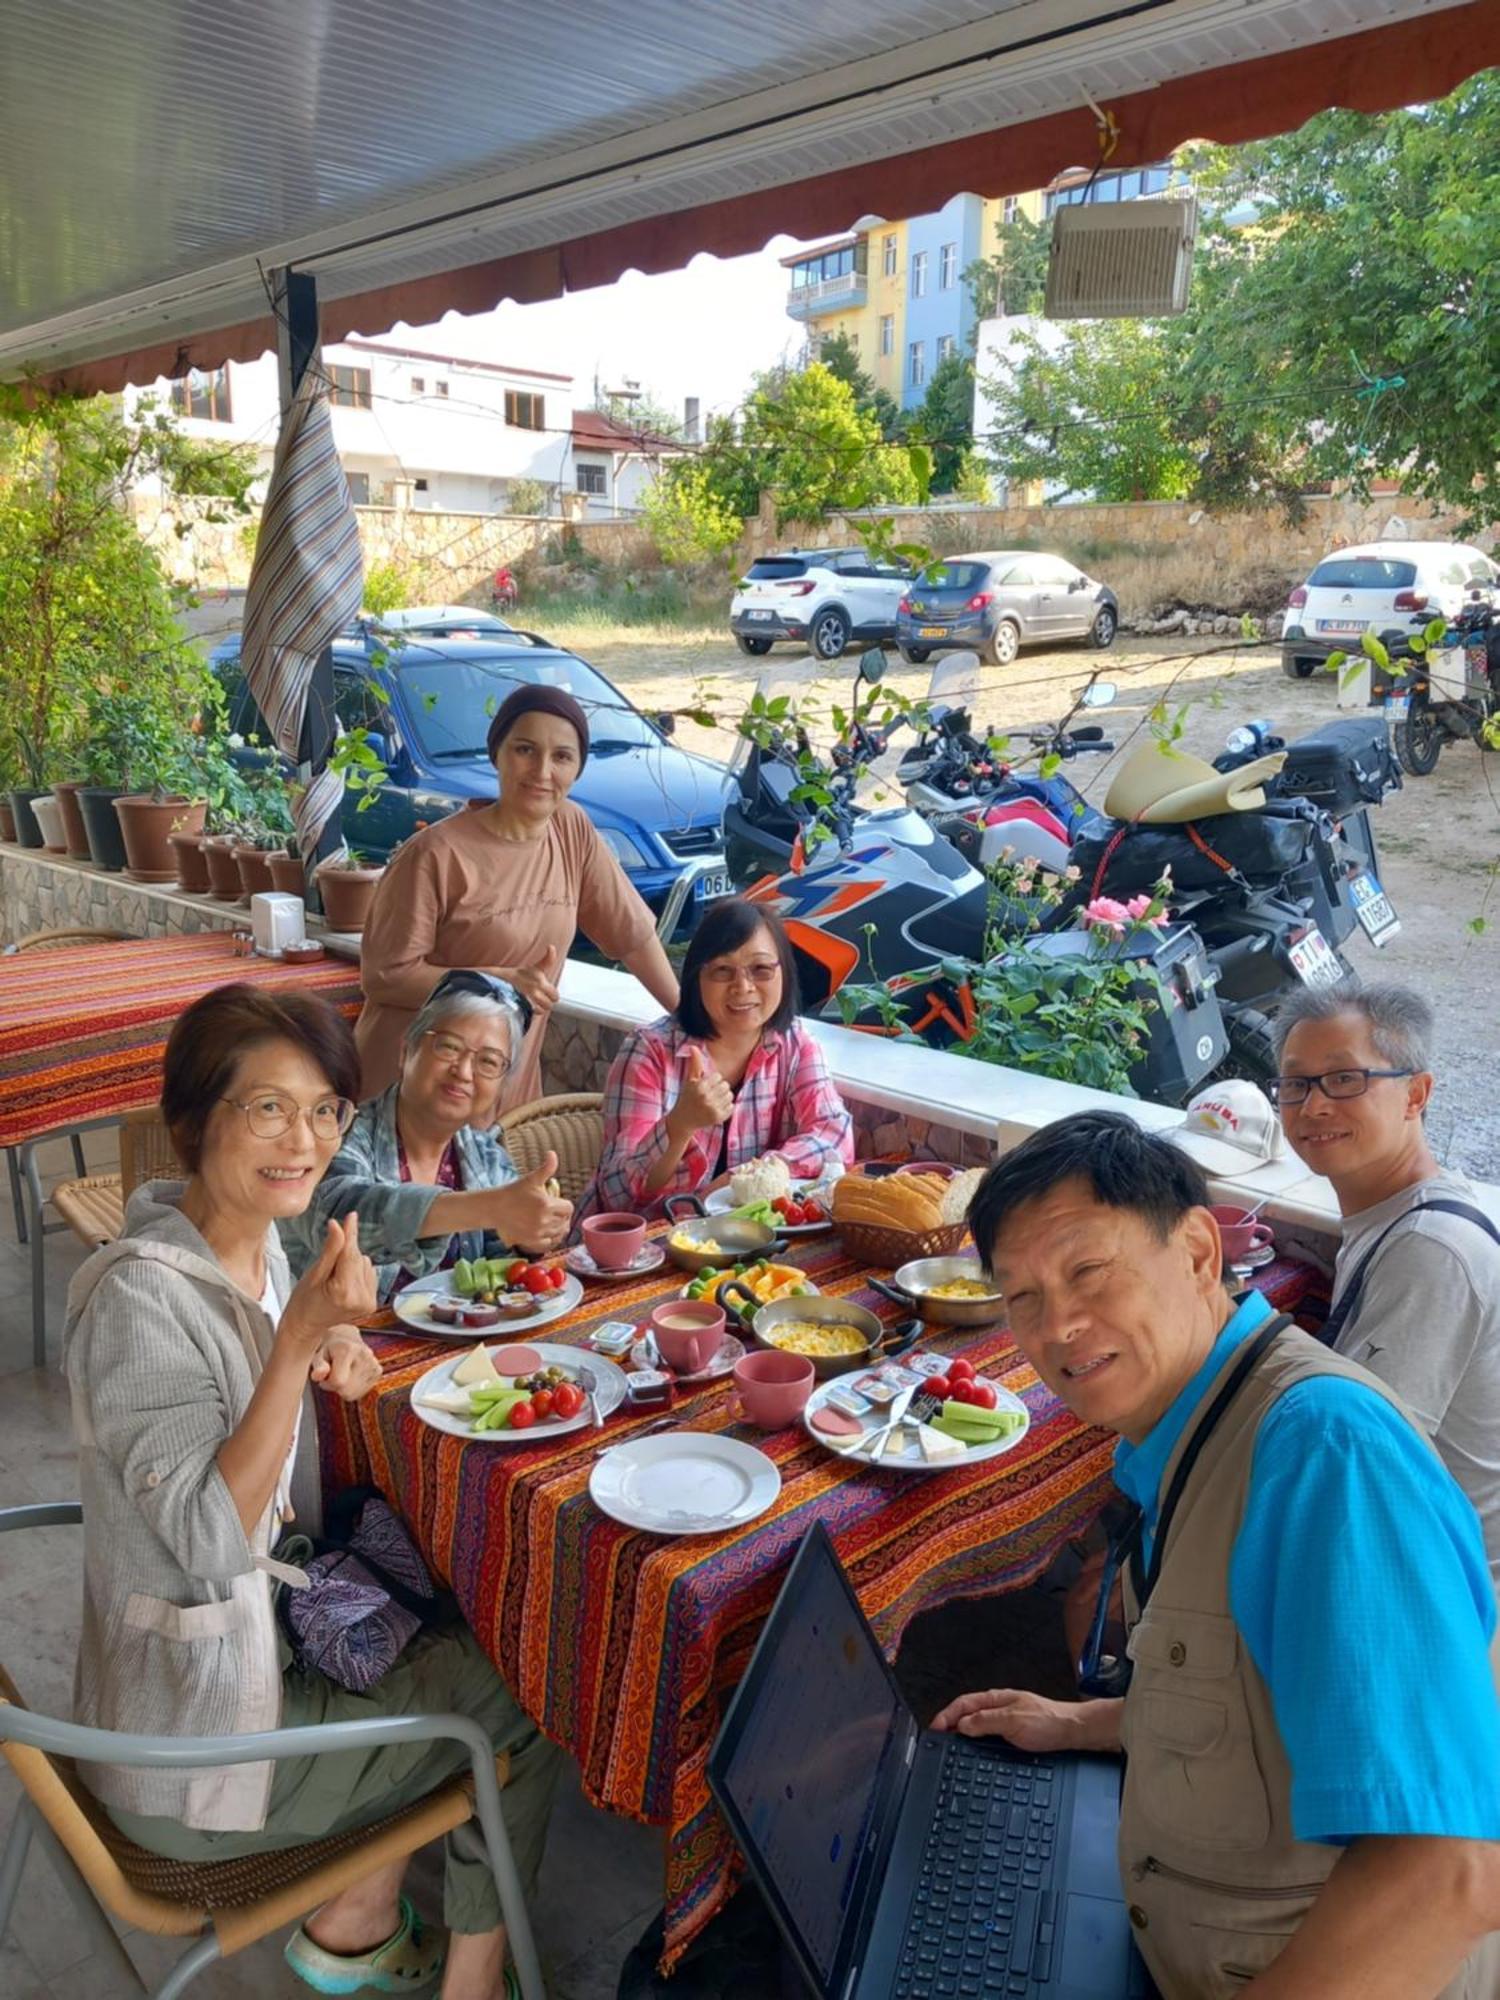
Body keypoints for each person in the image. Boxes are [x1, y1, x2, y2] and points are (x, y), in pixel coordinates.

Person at [933, 1110, 1500, 2000]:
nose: (1060, 1326)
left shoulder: (1324, 1454)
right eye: (1023, 1297)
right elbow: (1262, 1693)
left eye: (1088, 1270)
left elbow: (1447, 1877)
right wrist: (1086, 1723)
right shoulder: (1196, 1424)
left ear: (1200, 1252)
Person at [63, 985, 559, 2000]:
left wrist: (320, 1340)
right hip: (196, 1744)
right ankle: (469, 1980)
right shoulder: (136, 1300)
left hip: (256, 1652)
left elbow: (256, 1387)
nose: (306, 1138)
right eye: (267, 1107)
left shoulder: (241, 1248)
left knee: (461, 1613)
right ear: (195, 1118)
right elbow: (209, 1536)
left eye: (326, 1107)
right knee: (529, 1699)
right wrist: (294, 1348)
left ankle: (360, 1920)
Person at [354, 682, 680, 1107]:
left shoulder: (570, 828)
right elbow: (384, 978)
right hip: (408, 1092)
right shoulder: (435, 854)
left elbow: (632, 936)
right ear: (497, 754)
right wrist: (497, 983)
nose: (542, 771)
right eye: (525, 749)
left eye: (562, 756)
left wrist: (691, 1018)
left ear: (579, 767)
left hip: (502, 1091)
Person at [1273, 979, 1500, 1583]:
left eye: (1346, 1079)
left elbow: (1359, 1468)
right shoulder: (1391, 1213)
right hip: (1411, 1547)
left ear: (1416, 1095)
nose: (1313, 1106)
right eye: (1295, 1084)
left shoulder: (1431, 1249)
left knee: (1108, 1603)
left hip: (1449, 1593)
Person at [283, 970, 572, 1303]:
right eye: (448, 1047)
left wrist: (530, 1239)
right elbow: (335, 1219)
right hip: (344, 1344)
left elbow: (501, 1266)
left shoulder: (486, 1156)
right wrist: (490, 1207)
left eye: (488, 1062)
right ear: (406, 1051)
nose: (463, 1072)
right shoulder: (339, 1134)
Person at [580, 897, 853, 1218]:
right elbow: (617, 1196)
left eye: (761, 969)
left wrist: (751, 1175)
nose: (743, 987)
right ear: (697, 978)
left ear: (784, 974)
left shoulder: (794, 1043)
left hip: (742, 1243)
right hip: (641, 1250)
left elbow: (835, 1135)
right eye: (723, 971)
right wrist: (679, 1126)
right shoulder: (649, 1051)